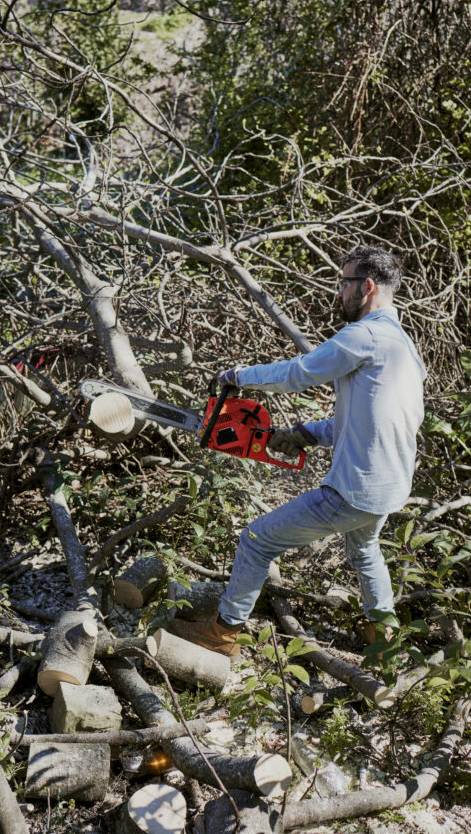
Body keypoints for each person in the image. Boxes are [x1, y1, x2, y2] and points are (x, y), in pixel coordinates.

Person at [170, 245, 426, 657]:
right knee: (364, 548)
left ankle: (223, 633)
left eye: (345, 283)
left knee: (256, 540)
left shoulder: (365, 335)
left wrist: (240, 376)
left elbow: (299, 373)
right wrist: (307, 434)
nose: (339, 292)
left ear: (369, 286)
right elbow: (376, 422)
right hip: (389, 486)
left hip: (355, 490)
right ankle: (385, 638)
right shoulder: (404, 349)